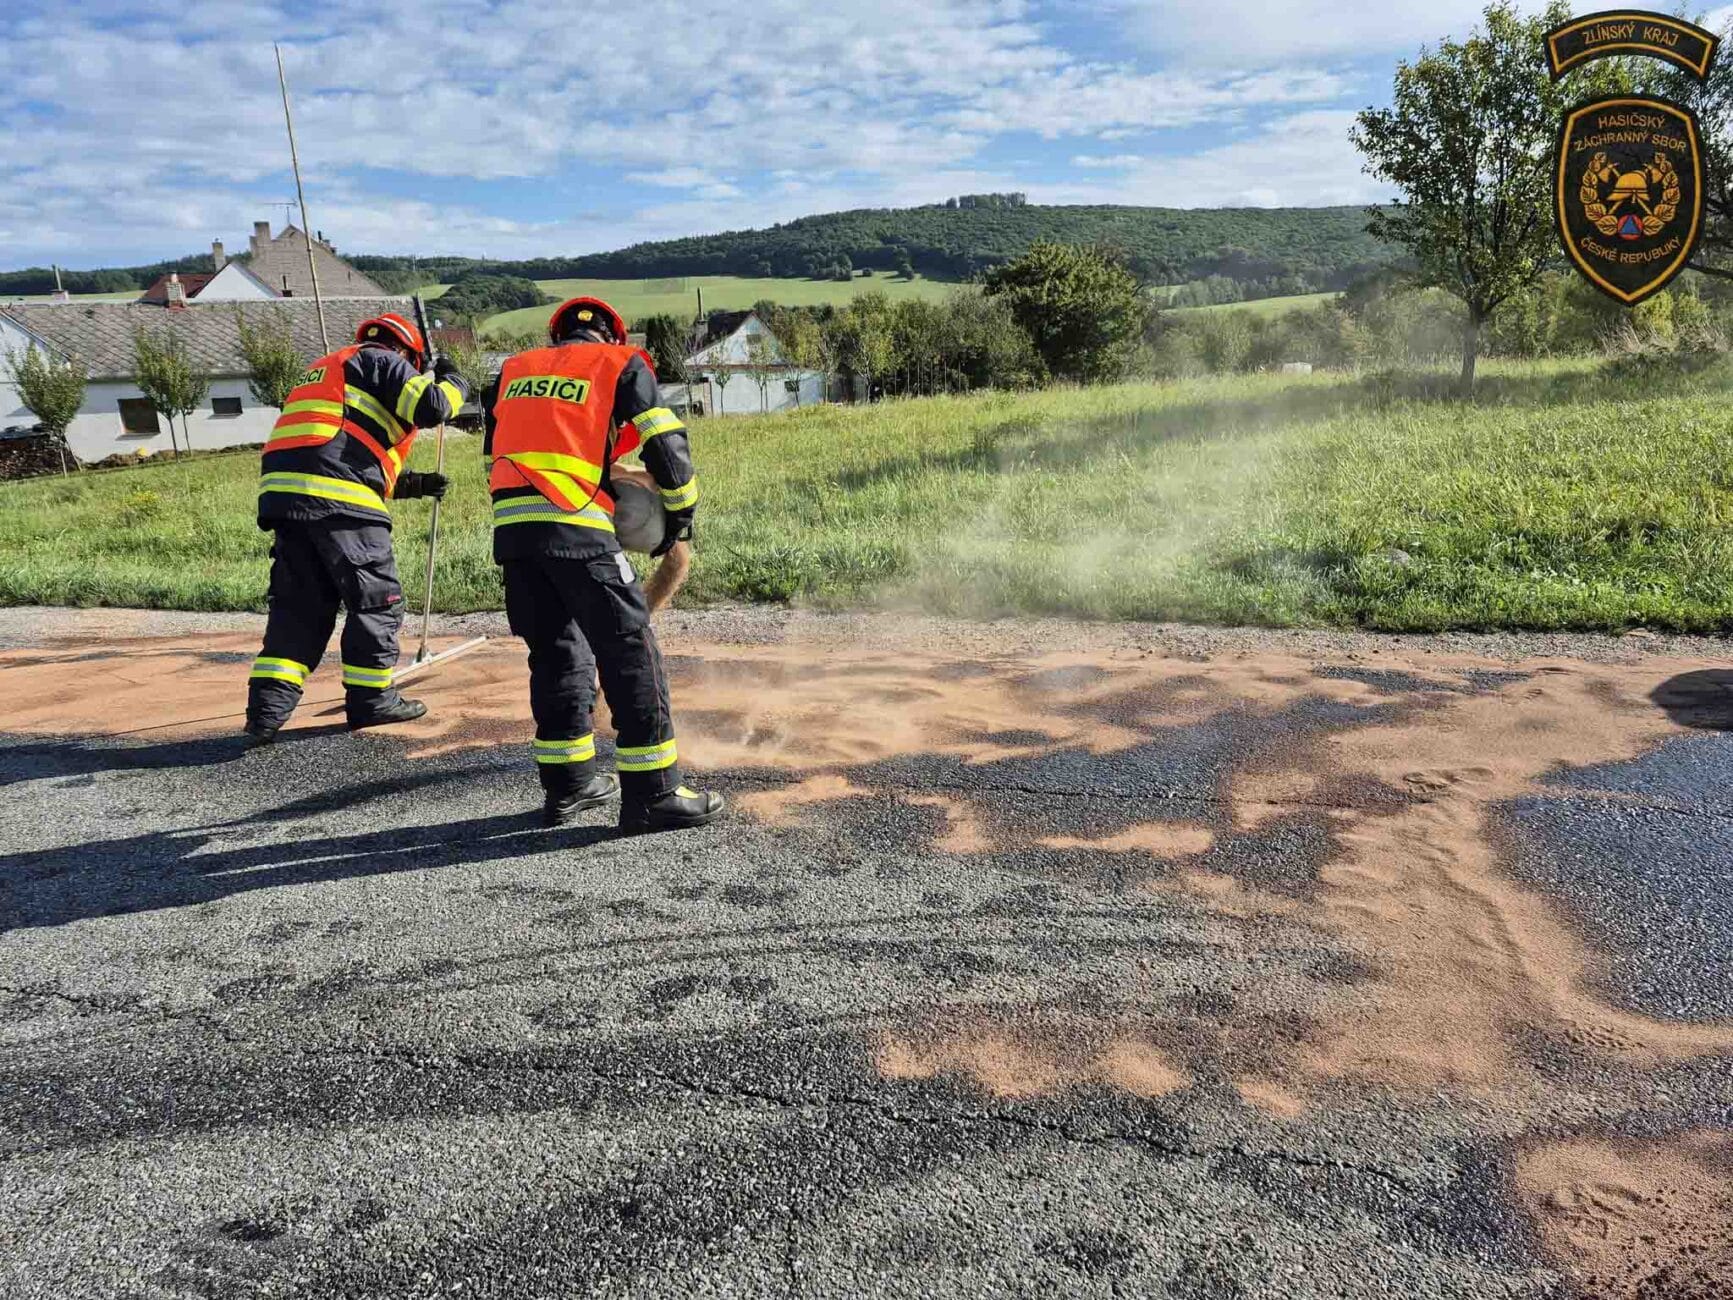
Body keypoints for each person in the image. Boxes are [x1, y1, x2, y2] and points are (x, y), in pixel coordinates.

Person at [482, 296, 724, 834]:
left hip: (515, 532)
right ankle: (654, 794)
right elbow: (663, 437)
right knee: (630, 649)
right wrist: (681, 512)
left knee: (556, 653)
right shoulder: (618, 363)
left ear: (556, 335)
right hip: (576, 521)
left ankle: (569, 787)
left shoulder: (514, 372)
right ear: (613, 337)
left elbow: (497, 446)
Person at [244, 312, 468, 744]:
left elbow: (340, 451)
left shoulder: (326, 371)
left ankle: (265, 712)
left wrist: (415, 484)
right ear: (405, 352)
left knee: (300, 609)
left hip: (290, 499)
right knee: (376, 601)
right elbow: (432, 408)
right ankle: (371, 700)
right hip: (338, 502)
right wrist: (455, 381)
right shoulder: (381, 361)